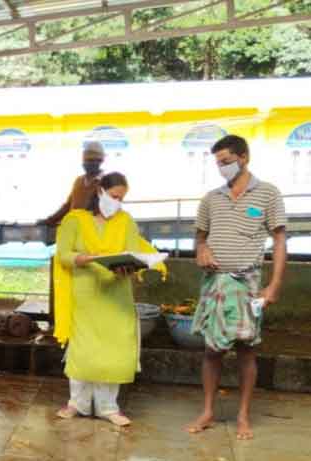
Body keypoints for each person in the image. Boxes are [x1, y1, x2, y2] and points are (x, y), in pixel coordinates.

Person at [185, 135, 287, 441]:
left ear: (244, 158)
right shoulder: (211, 199)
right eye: (218, 163)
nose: (222, 168)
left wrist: (274, 286)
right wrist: (201, 250)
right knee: (212, 350)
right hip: (215, 282)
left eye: (226, 161)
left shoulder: (268, 194)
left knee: (247, 350)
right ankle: (207, 411)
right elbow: (200, 238)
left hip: (249, 283)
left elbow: (280, 241)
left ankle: (243, 415)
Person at [53, 173, 165, 427]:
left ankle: (108, 406)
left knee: (115, 347)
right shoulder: (75, 220)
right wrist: (83, 258)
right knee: (83, 348)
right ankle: (76, 403)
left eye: (121, 198)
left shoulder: (125, 221)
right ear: (100, 191)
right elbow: (62, 255)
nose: (117, 202)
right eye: (114, 196)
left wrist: (130, 267)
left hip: (117, 292)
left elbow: (131, 251)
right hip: (85, 293)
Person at [40, 142, 106, 321]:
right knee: (69, 276)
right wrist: (50, 220)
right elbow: (68, 205)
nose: (90, 163)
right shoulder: (79, 181)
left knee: (87, 277)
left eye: (94, 160)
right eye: (87, 160)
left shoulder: (104, 182)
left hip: (89, 237)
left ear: (101, 161)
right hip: (71, 235)